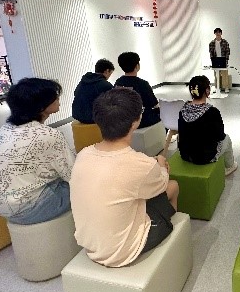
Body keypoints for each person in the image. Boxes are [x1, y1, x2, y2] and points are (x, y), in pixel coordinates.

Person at [70, 88, 179, 267]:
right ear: (136, 121)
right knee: (173, 186)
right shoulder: (141, 164)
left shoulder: (83, 154)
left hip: (90, 245)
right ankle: (168, 233)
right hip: (123, 251)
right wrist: (161, 164)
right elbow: (162, 184)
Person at [0, 78, 75, 225]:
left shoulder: (4, 130)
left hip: (3, 206)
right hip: (31, 208)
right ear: (41, 106)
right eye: (54, 97)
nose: (59, 100)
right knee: (90, 184)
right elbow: (72, 175)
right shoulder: (48, 135)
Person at [178, 75, 238, 175]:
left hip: (185, 155)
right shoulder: (212, 112)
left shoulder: (183, 110)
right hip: (204, 158)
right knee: (227, 139)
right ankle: (230, 166)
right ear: (207, 91)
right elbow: (220, 136)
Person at [114, 52, 161, 129]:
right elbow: (153, 104)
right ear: (137, 66)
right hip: (140, 120)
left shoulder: (118, 82)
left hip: (123, 119)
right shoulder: (142, 84)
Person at [71, 58, 114, 124]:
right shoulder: (106, 85)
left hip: (77, 114)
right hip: (92, 118)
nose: (109, 76)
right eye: (110, 73)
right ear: (107, 71)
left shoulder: (83, 81)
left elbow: (75, 93)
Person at [209, 27, 231, 93]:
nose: (218, 34)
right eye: (216, 32)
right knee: (216, 75)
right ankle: (217, 87)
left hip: (223, 60)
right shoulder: (212, 43)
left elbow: (228, 51)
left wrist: (226, 59)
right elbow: (211, 53)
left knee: (224, 74)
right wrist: (212, 60)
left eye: (219, 32)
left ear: (221, 33)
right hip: (215, 60)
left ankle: (226, 87)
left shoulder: (225, 42)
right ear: (215, 34)